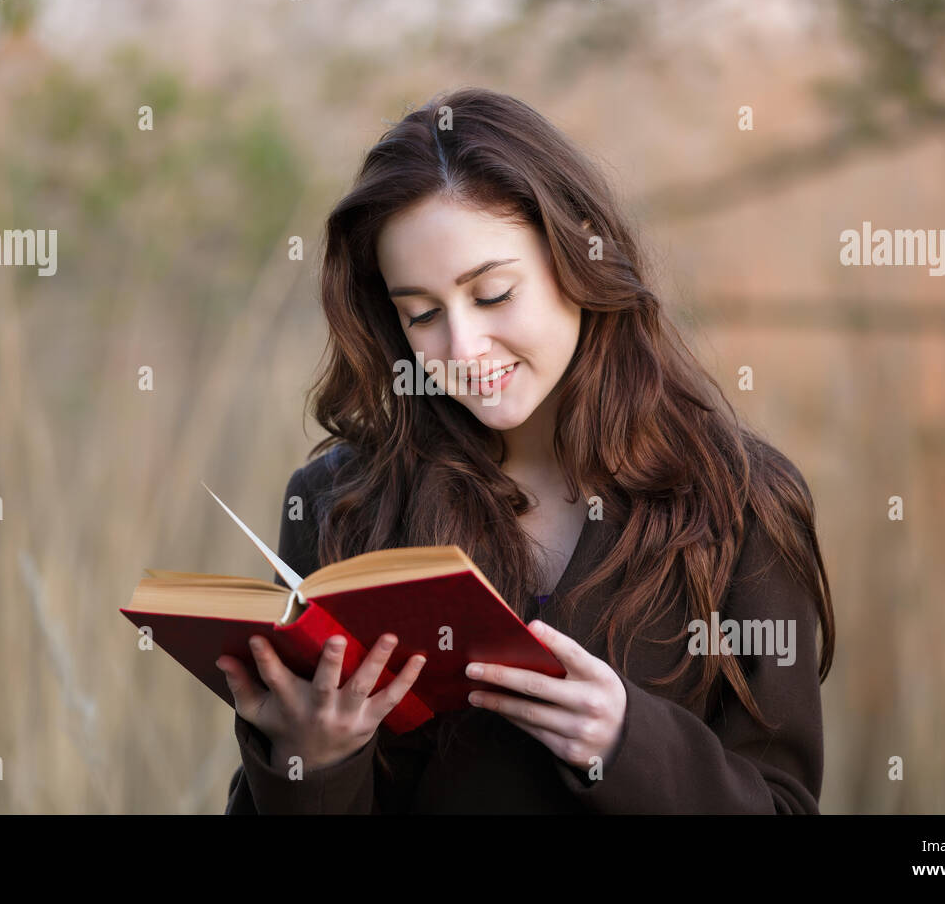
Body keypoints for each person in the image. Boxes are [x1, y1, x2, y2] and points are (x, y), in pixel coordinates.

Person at [217, 87, 835, 813]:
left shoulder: (739, 505)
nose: (462, 348)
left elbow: (784, 806)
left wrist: (627, 742)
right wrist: (311, 763)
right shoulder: (341, 505)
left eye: (493, 294)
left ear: (578, 258)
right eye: (420, 314)